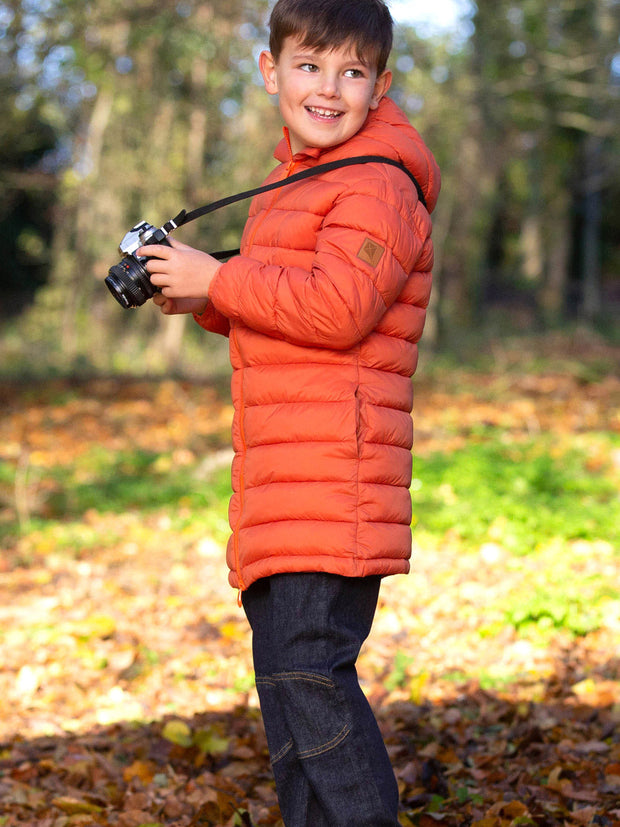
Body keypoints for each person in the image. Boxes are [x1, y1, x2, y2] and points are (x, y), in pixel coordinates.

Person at [139, 0, 440, 823]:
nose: (329, 88)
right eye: (310, 65)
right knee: (285, 688)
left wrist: (222, 281)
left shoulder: (376, 182)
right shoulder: (294, 180)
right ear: (271, 70)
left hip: (331, 480)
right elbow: (292, 303)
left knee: (309, 674)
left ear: (380, 86)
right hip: (285, 475)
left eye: (352, 72)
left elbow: (341, 306)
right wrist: (206, 299)